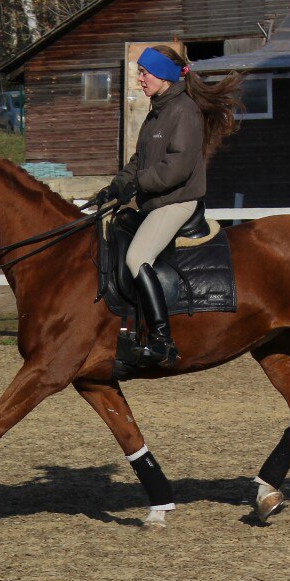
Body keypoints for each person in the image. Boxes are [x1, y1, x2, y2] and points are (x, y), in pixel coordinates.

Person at [93, 45, 243, 368]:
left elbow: (177, 167)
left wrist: (138, 183)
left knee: (137, 257)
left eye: (144, 73)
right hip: (155, 201)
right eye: (140, 73)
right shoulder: (156, 113)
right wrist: (117, 185)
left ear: (162, 75)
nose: (140, 79)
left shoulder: (184, 111)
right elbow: (139, 160)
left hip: (177, 202)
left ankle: (163, 341)